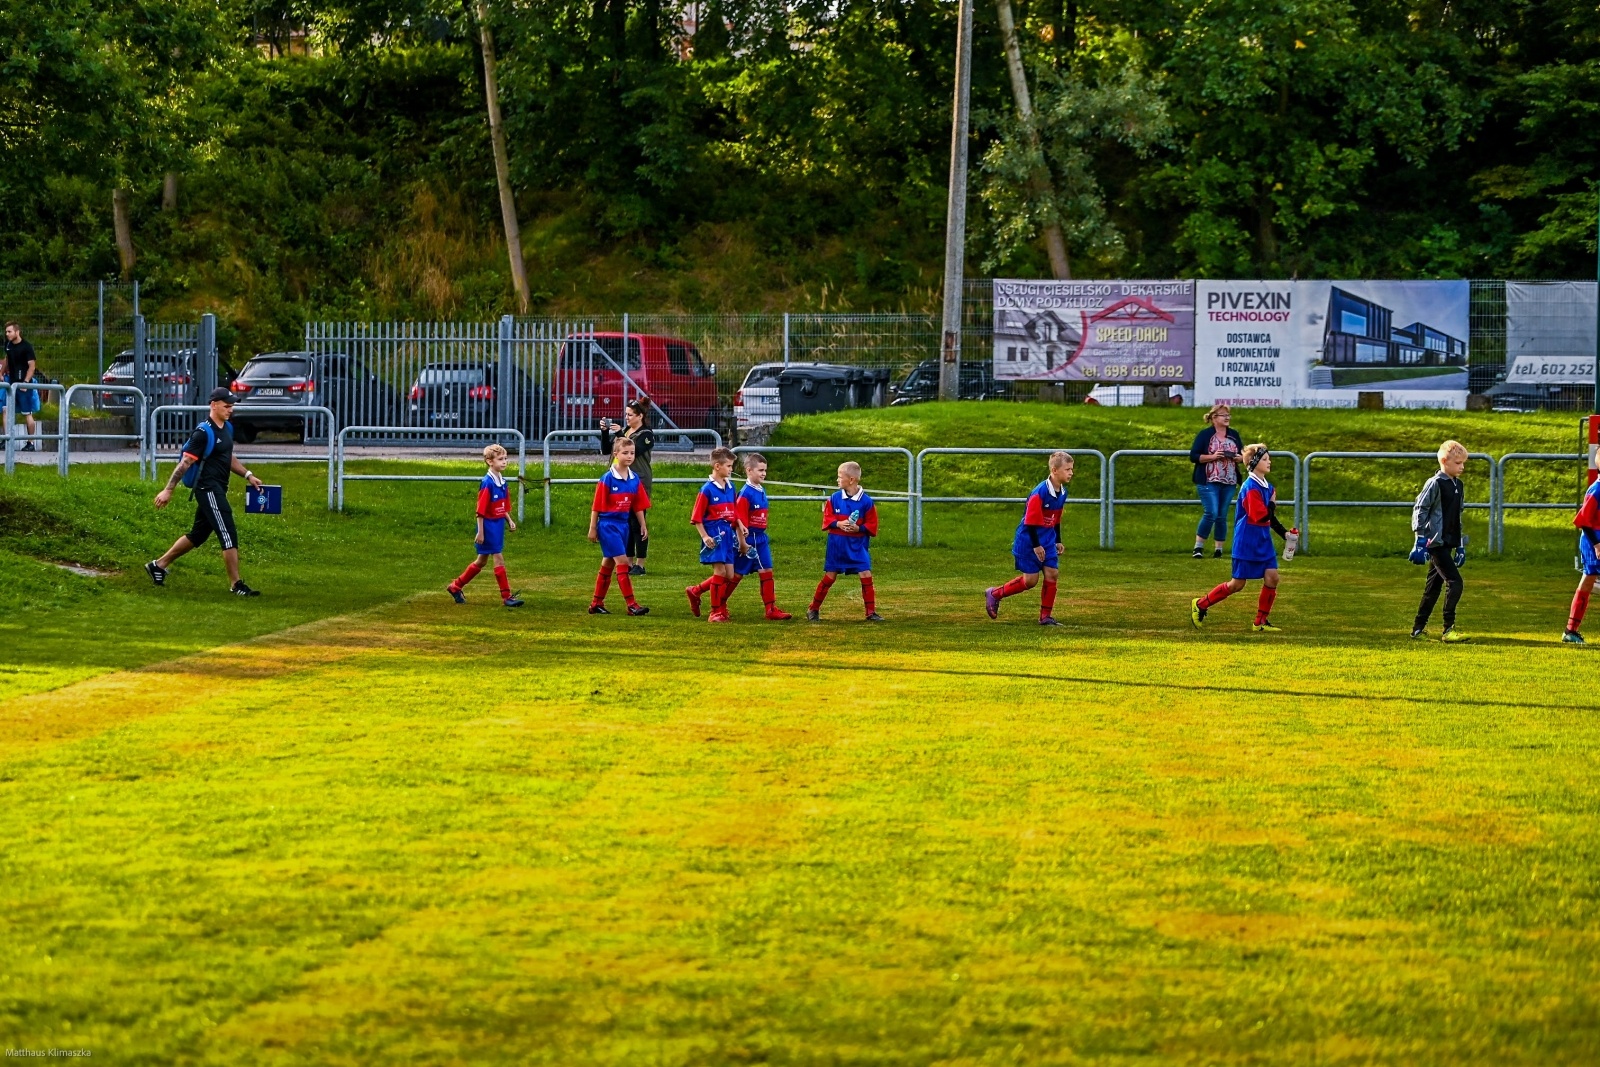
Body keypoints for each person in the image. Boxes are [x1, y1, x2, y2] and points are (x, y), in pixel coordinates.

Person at [146, 387, 264, 596]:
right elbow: (185, 462)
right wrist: (168, 490)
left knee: (198, 534)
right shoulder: (202, 433)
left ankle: (159, 565)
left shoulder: (227, 428)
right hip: (207, 489)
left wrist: (248, 475)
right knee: (228, 533)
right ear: (214, 405)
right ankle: (236, 585)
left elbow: (227, 456)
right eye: (227, 406)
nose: (230, 410)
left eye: (232, 406)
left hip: (218, 488)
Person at [1190, 443, 1297, 632]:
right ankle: (1200, 604)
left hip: (1262, 540)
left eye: (1268, 458)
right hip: (1247, 541)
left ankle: (1260, 622)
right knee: (1237, 584)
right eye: (1265, 459)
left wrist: (1284, 533)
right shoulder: (1250, 487)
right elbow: (1261, 515)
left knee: (1272, 578)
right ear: (1254, 463)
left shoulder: (1268, 487)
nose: (1269, 461)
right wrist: (1271, 505)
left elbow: (1269, 518)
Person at [985, 451, 1073, 626]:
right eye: (1067, 469)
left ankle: (1045, 616)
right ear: (1055, 470)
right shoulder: (1039, 492)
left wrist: (1057, 540)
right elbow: (1030, 522)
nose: (1071, 473)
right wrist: (1036, 545)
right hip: (1029, 541)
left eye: (1072, 469)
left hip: (1047, 540)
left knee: (1052, 573)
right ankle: (994, 593)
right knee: (1030, 581)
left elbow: (1057, 518)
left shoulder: (1063, 492)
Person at [446, 444, 523, 608]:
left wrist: (509, 520)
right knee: (498, 558)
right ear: (489, 461)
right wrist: (480, 532)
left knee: (481, 561)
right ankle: (506, 596)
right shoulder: (487, 483)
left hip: (497, 525)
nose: (504, 462)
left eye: (505, 459)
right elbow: (480, 511)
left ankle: (455, 586)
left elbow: (501, 505)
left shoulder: (502, 482)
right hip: (487, 526)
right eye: (500, 459)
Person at [1409, 440, 1471, 643]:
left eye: (1463, 463)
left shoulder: (1458, 485)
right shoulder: (1434, 483)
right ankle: (1448, 629)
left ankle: (1418, 629)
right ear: (1445, 461)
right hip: (1435, 543)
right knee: (1455, 583)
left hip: (1449, 542)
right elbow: (1420, 509)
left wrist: (1460, 545)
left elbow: (1458, 516)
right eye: (1458, 462)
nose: (1462, 467)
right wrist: (1419, 539)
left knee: (1432, 588)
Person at [807, 461, 883, 622]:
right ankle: (813, 609)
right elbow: (828, 518)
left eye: (840, 477)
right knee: (830, 576)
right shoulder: (834, 498)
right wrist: (838, 524)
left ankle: (870, 612)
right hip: (837, 545)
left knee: (866, 573)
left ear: (852, 480)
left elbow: (872, 524)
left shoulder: (866, 502)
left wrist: (859, 529)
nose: (837, 480)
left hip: (857, 546)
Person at [587, 436, 650, 616]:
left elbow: (638, 504)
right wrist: (593, 528)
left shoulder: (634, 478)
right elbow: (597, 505)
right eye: (625, 453)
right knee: (622, 563)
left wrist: (642, 524)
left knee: (608, 563)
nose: (629, 456)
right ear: (616, 454)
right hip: (608, 525)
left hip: (624, 526)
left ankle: (596, 603)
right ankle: (631, 604)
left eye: (632, 453)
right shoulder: (607, 478)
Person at [726, 452, 793, 620]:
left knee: (767, 571)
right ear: (749, 470)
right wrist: (742, 543)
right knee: (736, 575)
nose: (764, 473)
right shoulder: (745, 494)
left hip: (761, 539)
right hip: (748, 539)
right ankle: (714, 601)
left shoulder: (760, 489)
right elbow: (738, 521)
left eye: (765, 470)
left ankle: (770, 609)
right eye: (760, 470)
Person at [685, 446, 743, 623]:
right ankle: (715, 611)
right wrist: (705, 536)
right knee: (719, 571)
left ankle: (696, 591)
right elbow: (696, 518)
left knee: (730, 575)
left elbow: (734, 511)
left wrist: (740, 525)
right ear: (717, 466)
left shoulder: (730, 487)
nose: (731, 470)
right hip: (714, 534)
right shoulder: (707, 490)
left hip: (728, 534)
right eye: (729, 466)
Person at [598, 399, 655, 573]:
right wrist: (605, 432)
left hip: (639, 481)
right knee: (626, 523)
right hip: (620, 481)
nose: (627, 417)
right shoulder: (626, 431)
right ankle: (628, 562)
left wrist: (620, 434)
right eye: (626, 414)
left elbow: (634, 451)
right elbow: (607, 450)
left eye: (630, 414)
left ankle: (641, 563)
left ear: (640, 416)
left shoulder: (646, 434)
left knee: (638, 523)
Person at [1188, 402, 1242, 558]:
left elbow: (1242, 454)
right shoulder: (1205, 435)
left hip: (1229, 481)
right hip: (1208, 480)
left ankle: (1219, 549)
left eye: (1228, 415)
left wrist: (1239, 458)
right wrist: (1212, 457)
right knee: (1211, 512)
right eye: (1223, 415)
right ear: (1213, 418)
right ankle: (1198, 547)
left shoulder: (1234, 434)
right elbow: (1194, 456)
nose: (1227, 418)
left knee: (1221, 515)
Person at [1563, 476, 1600, 644]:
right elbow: (1583, 521)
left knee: (1589, 581)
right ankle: (1570, 631)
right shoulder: (1597, 489)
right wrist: (1597, 544)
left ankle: (1570, 631)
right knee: (1588, 579)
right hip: (1593, 542)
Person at [3, 321, 40, 452]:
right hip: (11, 384)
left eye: (9, 331)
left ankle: (31, 442)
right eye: (6, 332)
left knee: (27, 413)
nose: (7, 334)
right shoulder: (8, 345)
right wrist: (1, 373)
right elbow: (7, 360)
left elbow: (32, 366)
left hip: (23, 384)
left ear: (17, 332)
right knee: (6, 409)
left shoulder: (26, 347)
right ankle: (7, 440)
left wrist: (26, 381)